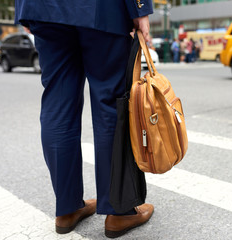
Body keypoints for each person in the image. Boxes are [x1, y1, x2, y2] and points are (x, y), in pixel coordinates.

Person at [14, 0, 154, 238]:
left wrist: (25, 9)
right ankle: (119, 211)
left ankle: (67, 209)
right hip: (101, 8)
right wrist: (140, 8)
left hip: (43, 8)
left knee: (58, 104)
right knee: (111, 104)